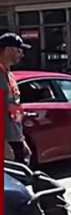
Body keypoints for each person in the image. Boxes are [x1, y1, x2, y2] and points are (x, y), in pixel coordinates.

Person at [0, 32, 32, 164]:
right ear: (7, 50)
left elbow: (14, 108)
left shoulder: (9, 75)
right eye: (19, 50)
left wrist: (21, 139)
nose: (22, 55)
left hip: (15, 139)